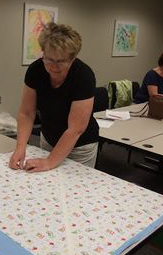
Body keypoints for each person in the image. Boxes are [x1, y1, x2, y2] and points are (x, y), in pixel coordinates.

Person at [9, 22, 99, 173]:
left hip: (79, 146)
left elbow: (75, 129)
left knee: (75, 191)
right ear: (43, 52)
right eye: (49, 59)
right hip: (49, 138)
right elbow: (26, 113)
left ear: (72, 58)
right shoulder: (35, 70)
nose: (53, 67)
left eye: (60, 61)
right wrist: (20, 148)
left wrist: (50, 161)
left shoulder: (83, 76)